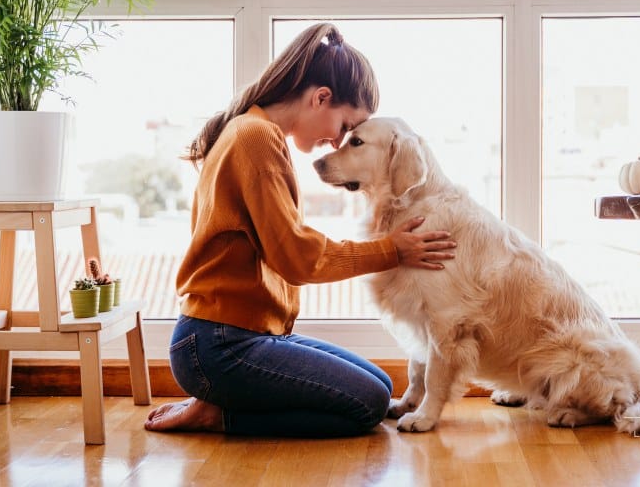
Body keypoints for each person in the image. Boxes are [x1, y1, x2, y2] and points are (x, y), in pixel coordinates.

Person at [144, 22, 457, 437]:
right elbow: (296, 257)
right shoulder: (256, 138)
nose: (337, 142)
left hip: (240, 337)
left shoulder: (253, 130)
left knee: (381, 386)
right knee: (367, 404)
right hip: (218, 345)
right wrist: (391, 250)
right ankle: (219, 413)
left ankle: (222, 399)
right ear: (320, 97)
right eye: (345, 127)